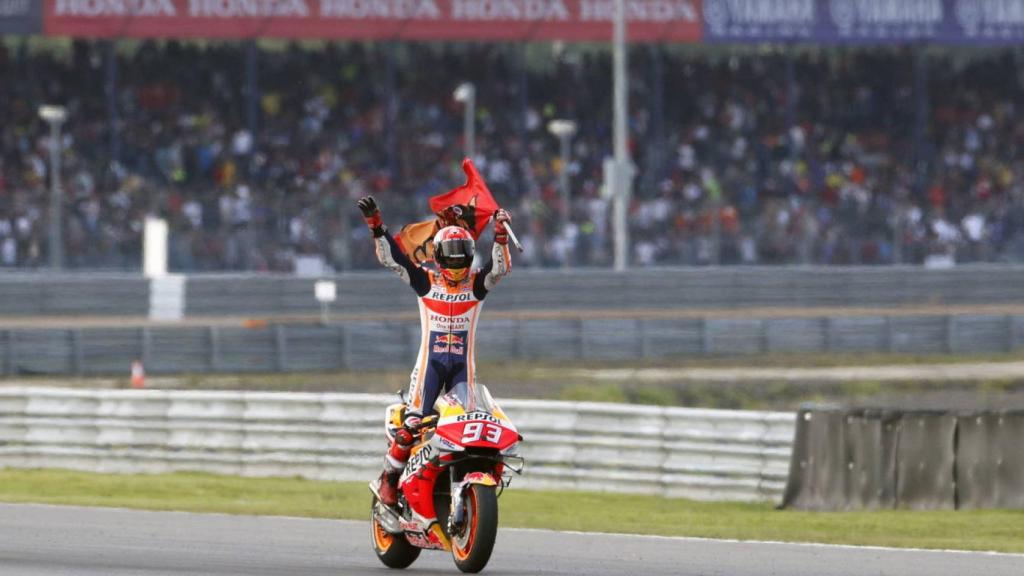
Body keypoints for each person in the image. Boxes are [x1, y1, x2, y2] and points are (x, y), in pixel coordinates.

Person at [358, 195, 512, 506]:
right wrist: (376, 225)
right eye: (451, 254)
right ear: (438, 255)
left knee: (468, 430)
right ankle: (388, 480)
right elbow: (393, 259)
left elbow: (500, 268)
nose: (456, 260)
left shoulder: (476, 285)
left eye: (462, 253)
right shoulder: (425, 281)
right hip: (430, 365)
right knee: (413, 425)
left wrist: (500, 234)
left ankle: (459, 486)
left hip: (463, 371)